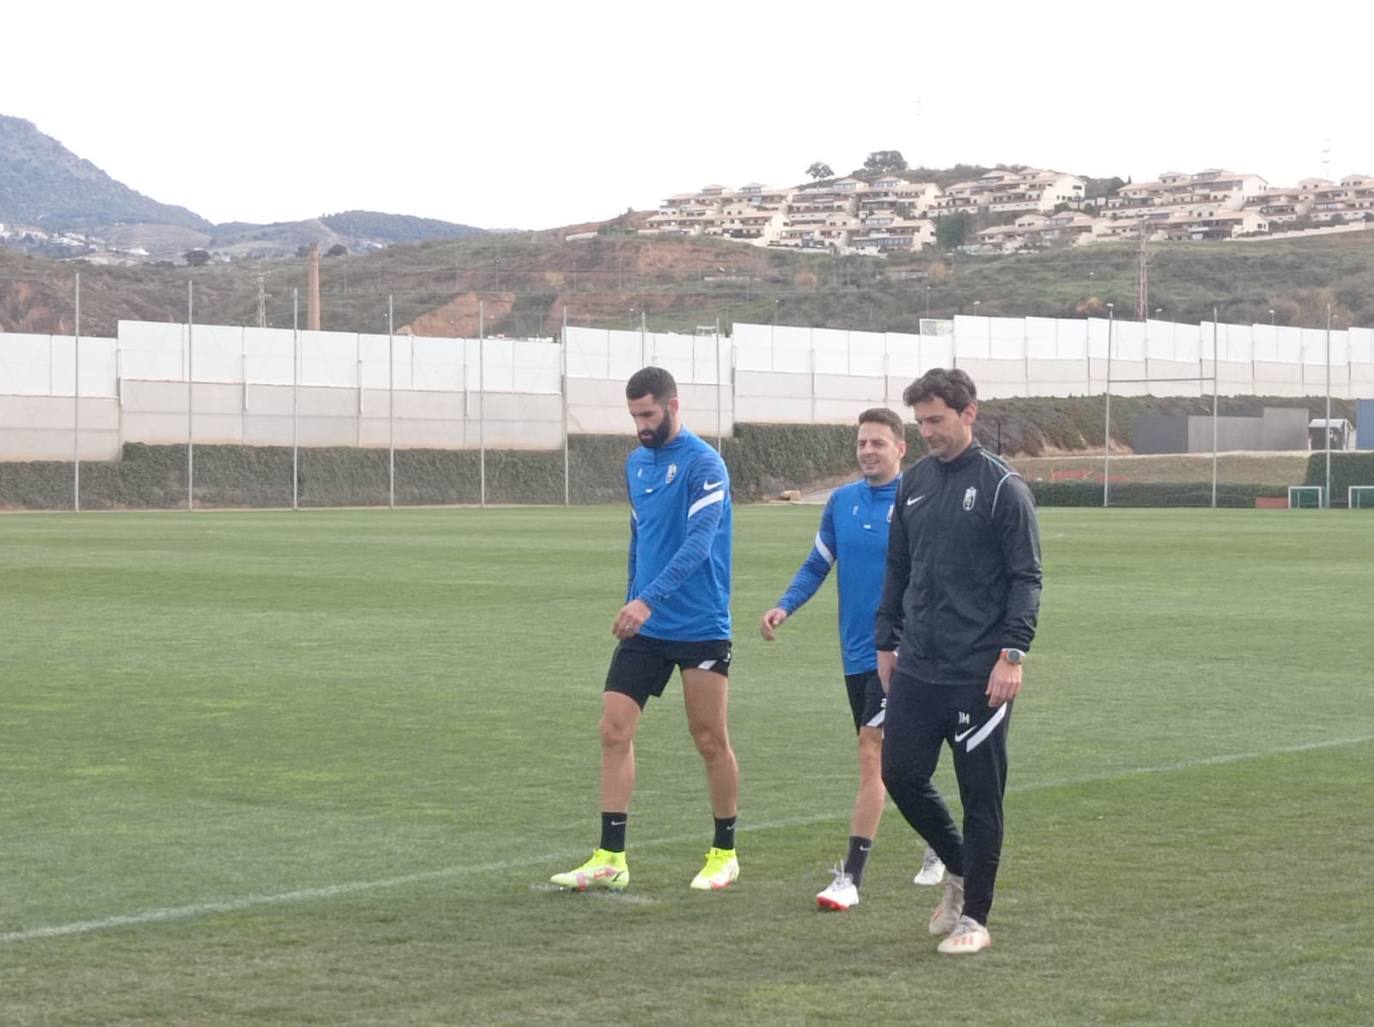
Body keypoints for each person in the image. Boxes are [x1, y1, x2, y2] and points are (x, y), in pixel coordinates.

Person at [551, 366, 740, 894]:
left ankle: (724, 852)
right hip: (648, 627)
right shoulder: (636, 464)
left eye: (648, 415)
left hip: (700, 624)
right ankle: (611, 857)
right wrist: (633, 594)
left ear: (673, 405)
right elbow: (640, 539)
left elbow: (699, 543)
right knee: (613, 728)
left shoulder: (706, 465)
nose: (640, 426)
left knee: (708, 739)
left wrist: (646, 600)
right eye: (634, 416)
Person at [876, 367, 1042, 955]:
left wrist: (1012, 654)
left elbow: (1027, 577)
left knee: (980, 797)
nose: (927, 432)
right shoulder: (914, 481)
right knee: (899, 774)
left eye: (936, 421)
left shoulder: (1002, 488)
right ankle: (959, 866)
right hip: (918, 661)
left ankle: (975, 917)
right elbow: (899, 565)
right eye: (920, 422)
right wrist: (885, 642)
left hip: (980, 672)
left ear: (968, 414)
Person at [759, 408, 944, 911]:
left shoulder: (918, 501)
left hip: (903, 653)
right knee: (897, 760)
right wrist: (785, 605)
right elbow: (818, 563)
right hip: (856, 653)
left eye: (878, 443)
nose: (867, 451)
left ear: (901, 448)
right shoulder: (841, 503)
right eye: (862, 442)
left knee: (872, 751)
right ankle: (941, 841)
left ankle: (851, 878)